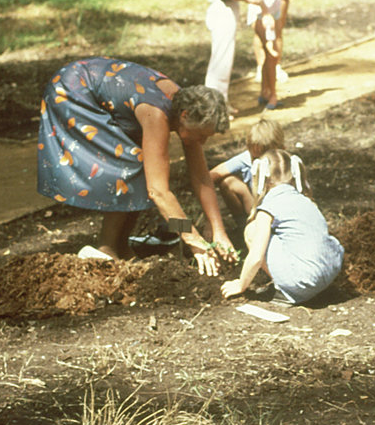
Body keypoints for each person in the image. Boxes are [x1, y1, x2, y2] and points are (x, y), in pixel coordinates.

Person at [36, 57, 238, 274]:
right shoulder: (156, 114)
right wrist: (195, 241)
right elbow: (158, 192)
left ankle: (122, 246)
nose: (203, 143)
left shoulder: (187, 107)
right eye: (201, 135)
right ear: (185, 116)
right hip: (72, 91)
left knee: (141, 166)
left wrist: (218, 230)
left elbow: (201, 177)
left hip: (99, 90)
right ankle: (106, 249)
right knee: (131, 166)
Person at [220, 149, 344, 304]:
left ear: (261, 177)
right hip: (329, 273)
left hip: (304, 282)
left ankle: (286, 289)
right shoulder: (307, 201)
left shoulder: (269, 207)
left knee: (252, 231)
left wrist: (241, 284)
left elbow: (256, 257)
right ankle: (307, 282)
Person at [203, 0, 259, 111]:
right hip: (222, 13)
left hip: (227, 13)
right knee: (221, 60)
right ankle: (215, 107)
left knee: (225, 60)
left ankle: (222, 102)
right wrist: (248, 0)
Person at [208, 118, 285, 244]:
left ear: (281, 149)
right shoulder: (246, 159)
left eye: (263, 158)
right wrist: (210, 220)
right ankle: (243, 229)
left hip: (278, 213)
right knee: (229, 182)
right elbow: (210, 176)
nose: (258, 162)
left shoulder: (287, 164)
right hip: (255, 210)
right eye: (254, 157)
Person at [241, 0, 284, 109]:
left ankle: (265, 91)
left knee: (268, 54)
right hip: (262, 14)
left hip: (271, 11)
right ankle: (272, 95)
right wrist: (266, 14)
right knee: (272, 53)